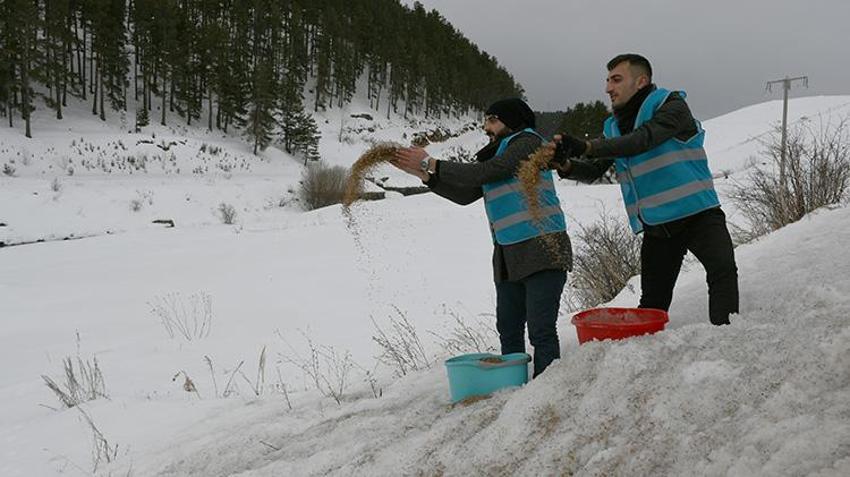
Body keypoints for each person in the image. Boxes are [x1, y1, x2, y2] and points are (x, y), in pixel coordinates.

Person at [548, 53, 738, 325]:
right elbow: (594, 170)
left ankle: (729, 339)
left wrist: (587, 146)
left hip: (700, 215)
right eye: (607, 81)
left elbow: (644, 139)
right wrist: (565, 165)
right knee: (652, 305)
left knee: (723, 274)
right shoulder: (614, 127)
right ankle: (649, 360)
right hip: (659, 226)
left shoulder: (671, 105)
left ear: (641, 81)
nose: (607, 88)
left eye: (616, 80)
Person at [391, 98, 571, 377]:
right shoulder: (496, 155)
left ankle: (547, 392)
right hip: (507, 254)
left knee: (540, 330)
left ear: (511, 120)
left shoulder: (528, 143)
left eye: (492, 120)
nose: (486, 127)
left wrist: (431, 162)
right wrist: (425, 175)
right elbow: (466, 194)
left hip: (543, 247)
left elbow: (490, 172)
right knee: (508, 328)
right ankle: (513, 389)